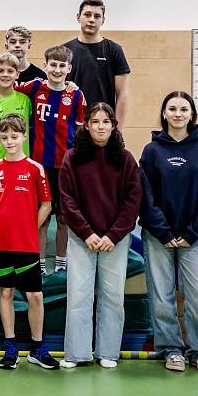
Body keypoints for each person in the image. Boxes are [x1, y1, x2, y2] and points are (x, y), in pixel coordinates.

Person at [140, 91, 198, 374]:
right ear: (164, 113)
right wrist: (162, 231)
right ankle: (171, 349)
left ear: (192, 114)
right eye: (172, 108)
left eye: (183, 109)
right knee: (161, 297)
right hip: (158, 237)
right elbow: (145, 196)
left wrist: (193, 232)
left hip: (192, 238)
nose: (177, 114)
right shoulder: (152, 151)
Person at [59, 102, 142, 369]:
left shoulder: (125, 159)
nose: (100, 127)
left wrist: (113, 235)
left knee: (113, 296)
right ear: (86, 125)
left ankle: (108, 352)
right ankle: (77, 353)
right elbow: (67, 200)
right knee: (79, 295)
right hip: (82, 239)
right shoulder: (72, 158)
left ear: (114, 126)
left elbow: (133, 200)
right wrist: (87, 233)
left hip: (114, 241)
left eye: (106, 122)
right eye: (95, 121)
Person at [0, 113, 59, 371]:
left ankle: (37, 348)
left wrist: (28, 227)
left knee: (34, 295)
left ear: (24, 136)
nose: (9, 141)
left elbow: (46, 205)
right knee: (5, 293)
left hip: (26, 244)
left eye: (14, 136)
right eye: (4, 137)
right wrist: (0, 224)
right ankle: (10, 347)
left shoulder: (35, 169)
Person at [19, 45, 86, 276]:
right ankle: (38, 264)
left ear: (69, 68)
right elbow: (6, 87)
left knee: (64, 218)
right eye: (53, 65)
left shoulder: (76, 95)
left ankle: (61, 263)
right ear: (45, 66)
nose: (57, 70)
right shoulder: (35, 87)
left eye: (62, 66)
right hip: (40, 166)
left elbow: (80, 131)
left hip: (65, 166)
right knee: (43, 217)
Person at [61, 0, 130, 128]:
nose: (92, 19)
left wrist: (117, 130)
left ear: (103, 20)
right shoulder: (65, 51)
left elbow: (122, 94)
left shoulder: (114, 50)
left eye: (97, 16)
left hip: (102, 126)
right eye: (87, 15)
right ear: (78, 17)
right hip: (71, 126)